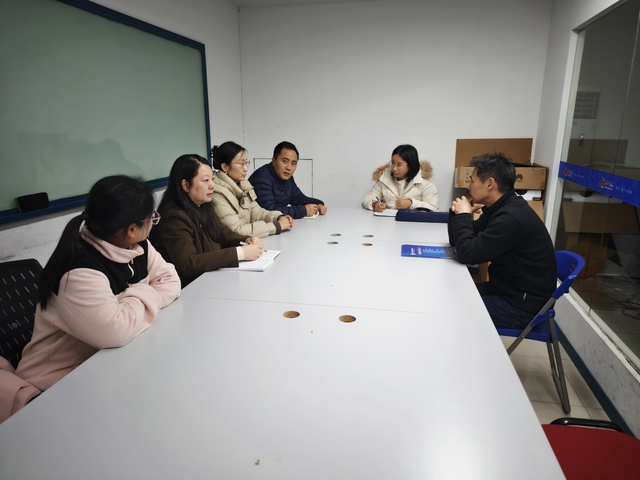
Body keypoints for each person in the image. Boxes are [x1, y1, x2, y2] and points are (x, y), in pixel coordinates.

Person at [6, 175, 181, 419]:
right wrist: (146, 291)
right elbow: (115, 331)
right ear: (132, 229)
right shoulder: (78, 272)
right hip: (56, 386)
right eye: (151, 217)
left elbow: (171, 281)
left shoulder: (138, 246)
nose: (154, 222)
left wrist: (128, 306)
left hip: (110, 363)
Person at [448, 153, 557, 328]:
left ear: (490, 184)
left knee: (449, 308)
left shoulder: (512, 217)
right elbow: (458, 243)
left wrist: (463, 216)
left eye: (472, 181)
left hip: (521, 306)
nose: (468, 187)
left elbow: (467, 254)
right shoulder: (499, 208)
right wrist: (457, 214)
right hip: (504, 290)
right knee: (447, 295)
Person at [151, 154, 264, 287]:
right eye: (205, 180)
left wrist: (247, 240)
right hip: (189, 289)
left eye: (212, 179)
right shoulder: (174, 218)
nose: (212, 185)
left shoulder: (203, 206)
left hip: (211, 281)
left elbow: (224, 234)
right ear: (185, 185)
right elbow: (188, 264)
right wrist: (240, 253)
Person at [212, 141, 294, 237]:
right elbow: (236, 230)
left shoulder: (243, 185)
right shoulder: (217, 192)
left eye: (246, 163)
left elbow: (258, 213)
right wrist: (276, 226)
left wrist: (278, 217)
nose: (246, 168)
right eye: (241, 163)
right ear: (225, 167)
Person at [249, 141, 326, 219]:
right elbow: (270, 211)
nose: (289, 167)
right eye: (285, 161)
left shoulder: (286, 177)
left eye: (293, 163)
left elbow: (299, 199)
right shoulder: (261, 178)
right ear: (274, 161)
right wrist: (304, 210)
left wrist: (318, 205)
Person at [362, 144, 438, 212]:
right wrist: (374, 205)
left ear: (410, 166)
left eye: (399, 165)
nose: (394, 168)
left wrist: (411, 203)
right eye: (392, 163)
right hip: (386, 221)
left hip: (412, 222)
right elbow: (366, 200)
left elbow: (433, 208)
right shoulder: (384, 177)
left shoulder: (423, 182)